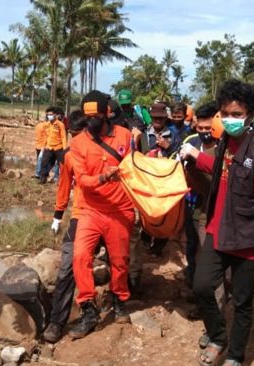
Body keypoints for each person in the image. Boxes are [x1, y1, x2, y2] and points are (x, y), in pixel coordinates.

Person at [179, 79, 254, 366]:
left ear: (250, 114)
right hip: (217, 229)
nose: (230, 119)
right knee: (201, 285)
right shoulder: (226, 141)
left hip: (246, 240)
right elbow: (223, 171)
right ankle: (218, 335)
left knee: (243, 301)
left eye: (237, 114)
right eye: (225, 113)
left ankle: (235, 355)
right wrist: (196, 155)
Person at [68, 90, 134, 339]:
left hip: (120, 210)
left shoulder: (125, 137)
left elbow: (134, 170)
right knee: (80, 256)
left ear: (107, 113)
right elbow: (83, 181)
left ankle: (119, 300)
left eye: (96, 116)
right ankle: (88, 309)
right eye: (87, 118)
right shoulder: (77, 143)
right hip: (91, 210)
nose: (91, 122)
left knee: (119, 261)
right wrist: (104, 176)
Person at [43, 110, 88, 343]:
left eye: (78, 134)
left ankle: (119, 301)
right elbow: (63, 186)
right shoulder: (69, 156)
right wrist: (57, 216)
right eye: (72, 134)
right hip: (81, 216)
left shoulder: (102, 150)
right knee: (67, 267)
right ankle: (57, 321)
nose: (75, 139)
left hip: (106, 214)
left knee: (117, 259)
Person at [178, 101, 219, 286]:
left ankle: (210, 297)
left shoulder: (222, 148)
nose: (204, 132)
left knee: (207, 253)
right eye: (200, 127)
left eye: (208, 128)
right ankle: (194, 287)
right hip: (192, 204)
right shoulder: (191, 141)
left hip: (212, 209)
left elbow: (215, 182)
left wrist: (195, 161)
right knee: (192, 246)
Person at [138, 102, 180, 256]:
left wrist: (168, 146)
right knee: (147, 211)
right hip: (147, 181)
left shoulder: (174, 135)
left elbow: (179, 156)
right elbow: (136, 155)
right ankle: (145, 239)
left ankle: (159, 246)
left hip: (165, 181)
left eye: (161, 119)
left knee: (165, 213)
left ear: (165, 119)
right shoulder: (142, 135)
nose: (158, 121)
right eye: (155, 118)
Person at [39, 107, 66, 184]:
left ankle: (61, 179)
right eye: (48, 115)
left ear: (55, 115)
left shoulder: (60, 124)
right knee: (44, 162)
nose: (49, 116)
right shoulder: (46, 125)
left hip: (58, 147)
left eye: (51, 114)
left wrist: (64, 150)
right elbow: (45, 137)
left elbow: (63, 137)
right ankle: (42, 179)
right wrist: (43, 147)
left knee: (62, 164)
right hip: (49, 147)